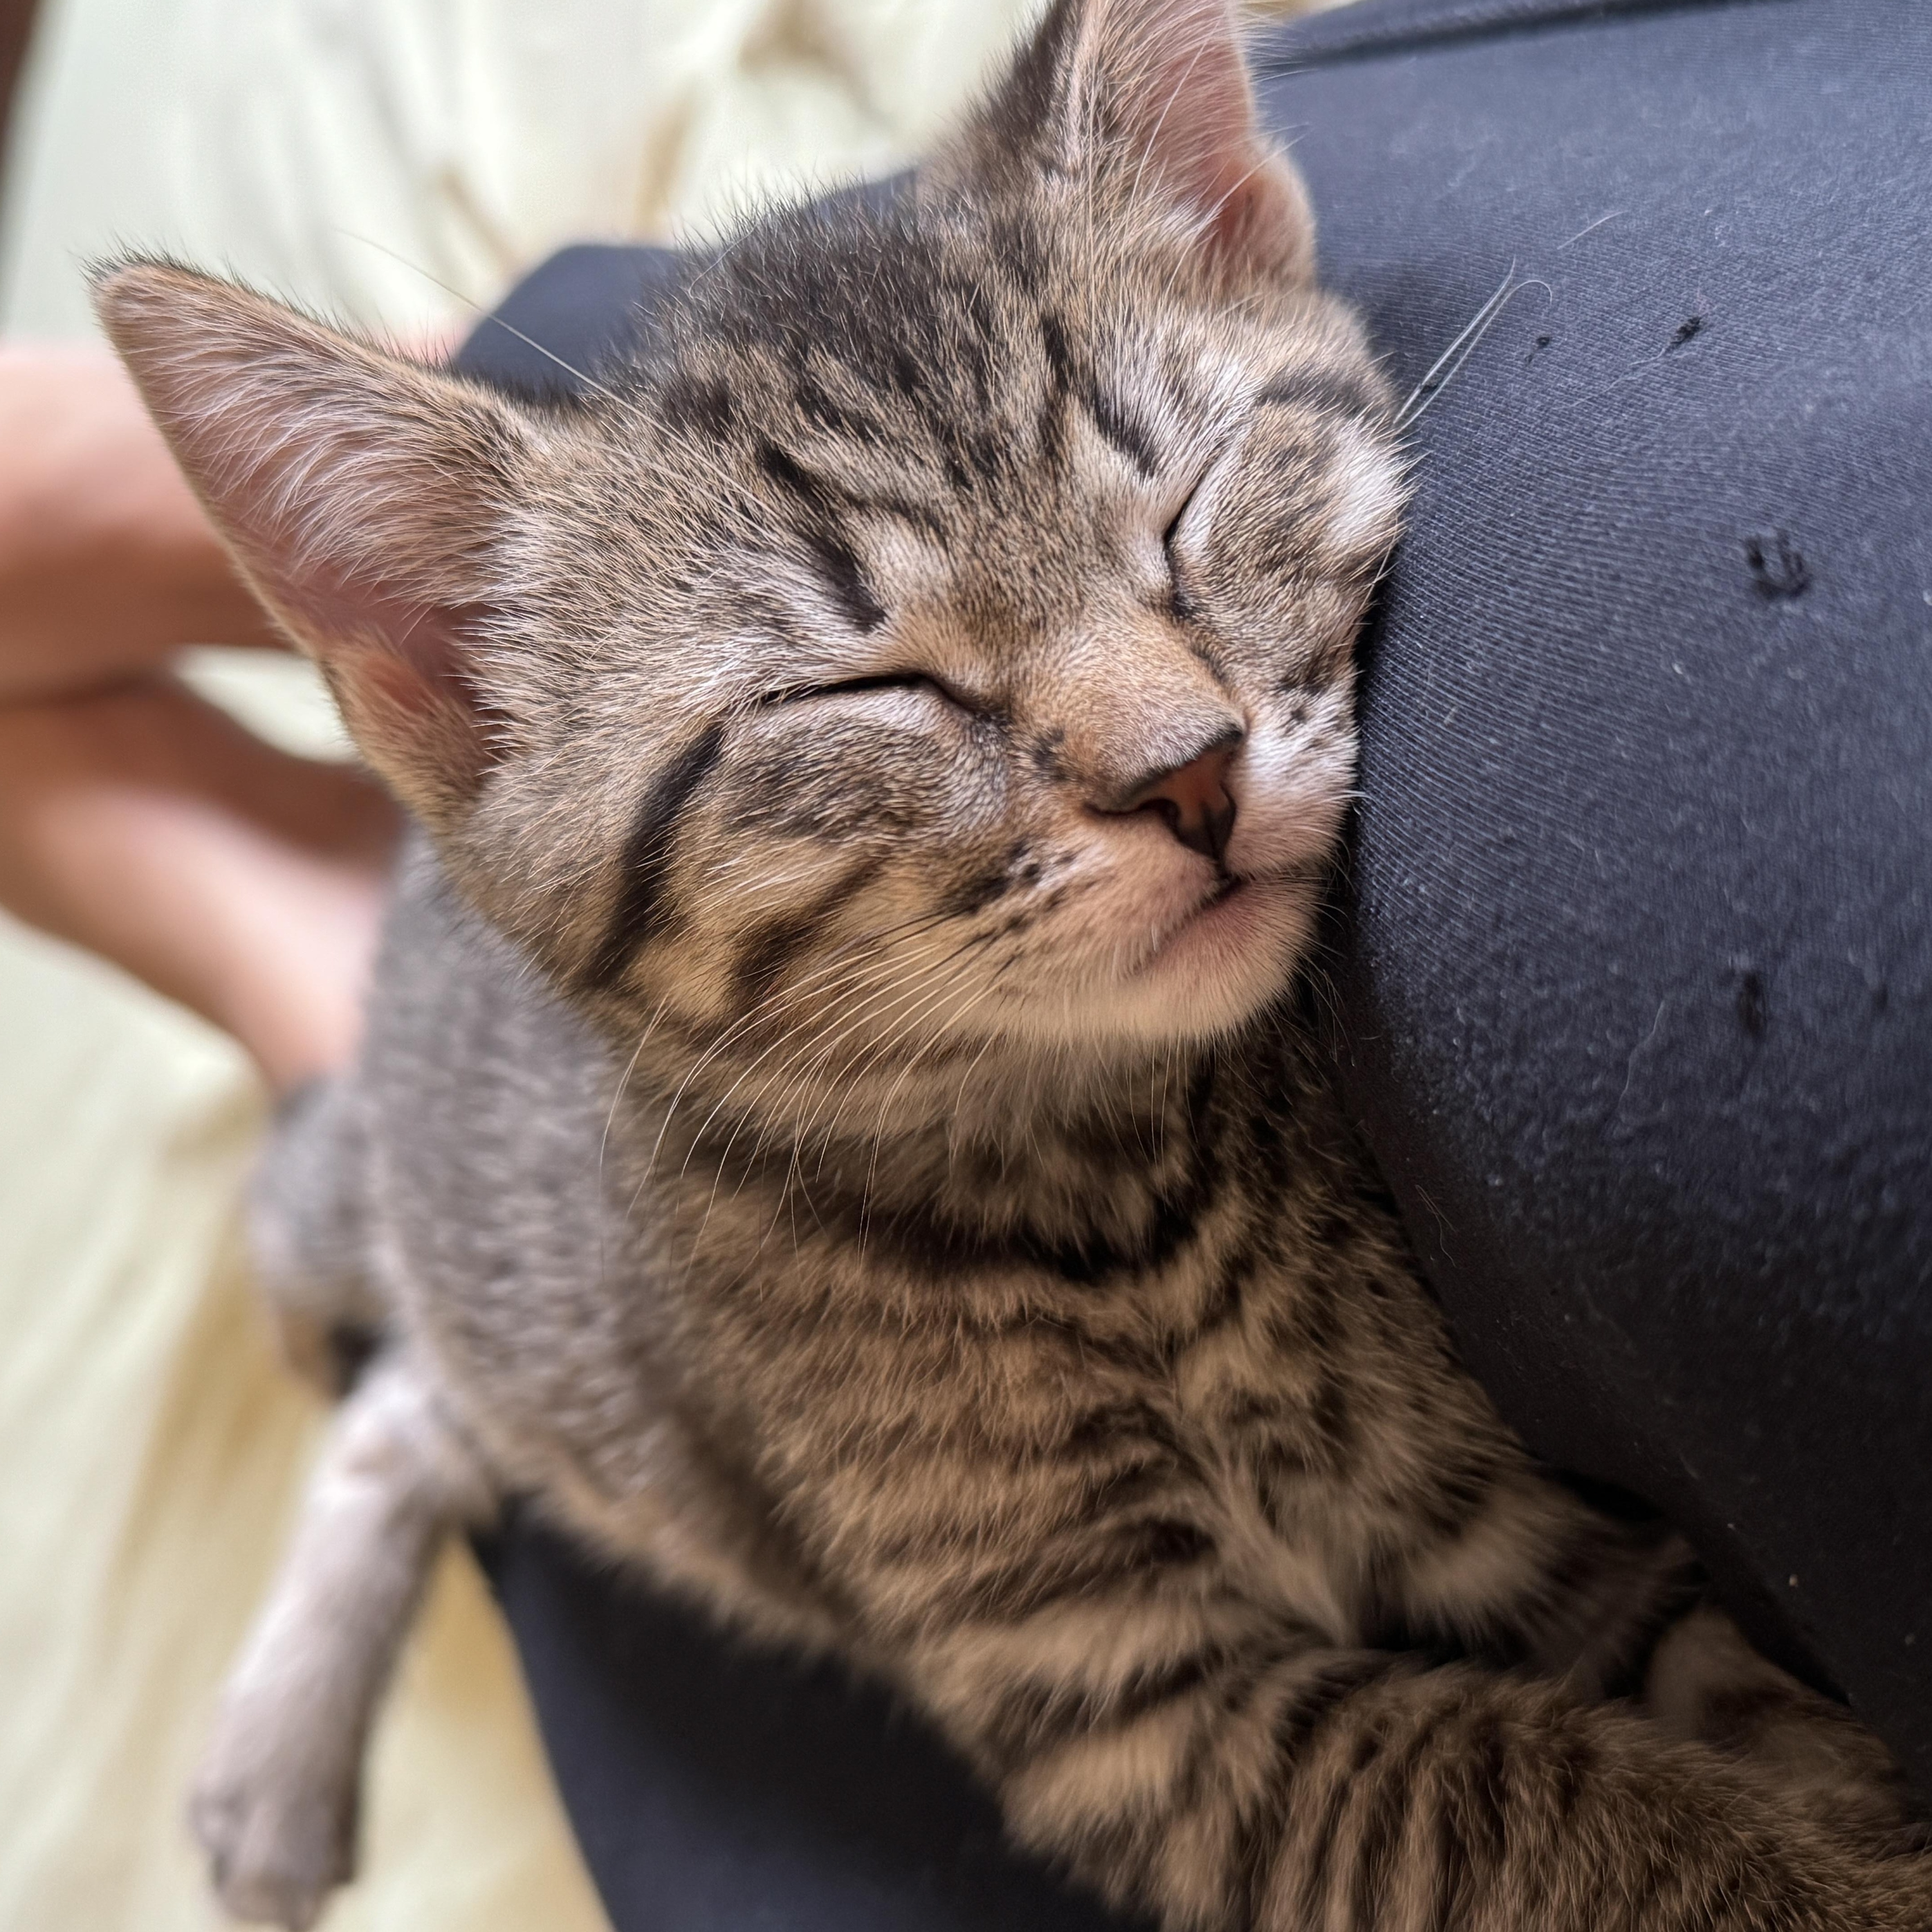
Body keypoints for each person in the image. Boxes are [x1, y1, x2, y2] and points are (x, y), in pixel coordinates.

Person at [4, 0, 1928, 1926]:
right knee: (370, 1212)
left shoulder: (1286, 1038)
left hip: (690, 926)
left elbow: (1561, 1592)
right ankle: (381, 1322)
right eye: (879, 693)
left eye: (1182, 521)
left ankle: (270, 929)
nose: (1170, 743)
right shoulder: (812, 1229)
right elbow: (1159, 1748)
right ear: (463, 683)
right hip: (584, 1105)